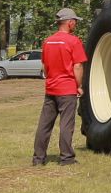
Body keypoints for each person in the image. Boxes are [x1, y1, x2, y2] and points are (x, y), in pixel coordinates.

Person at [32, 8, 88, 166]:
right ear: (69, 23)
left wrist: (51, 78)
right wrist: (79, 86)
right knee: (66, 124)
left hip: (51, 88)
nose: (75, 23)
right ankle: (67, 158)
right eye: (75, 21)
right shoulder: (73, 41)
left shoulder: (48, 41)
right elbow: (77, 67)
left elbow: (44, 66)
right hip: (67, 89)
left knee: (44, 124)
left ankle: (38, 158)